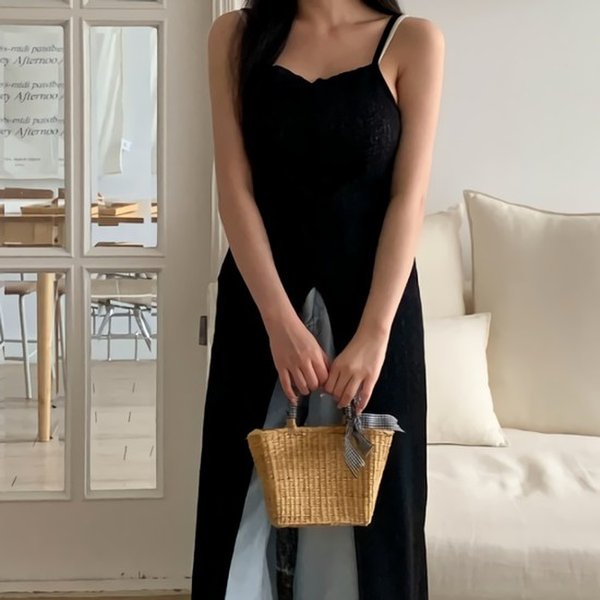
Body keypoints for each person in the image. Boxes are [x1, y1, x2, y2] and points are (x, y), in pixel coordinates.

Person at [192, 1, 445, 598]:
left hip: (376, 313)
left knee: (376, 526)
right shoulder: (234, 35)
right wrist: (279, 321)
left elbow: (408, 200)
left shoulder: (413, 41)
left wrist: (375, 336)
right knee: (238, 510)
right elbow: (234, 189)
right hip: (260, 306)